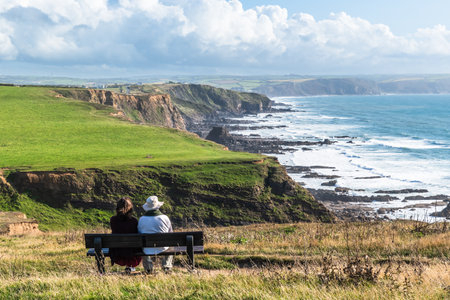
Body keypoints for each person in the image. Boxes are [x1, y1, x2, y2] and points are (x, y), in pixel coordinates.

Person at [138, 195, 173, 273]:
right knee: (171, 243)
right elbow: (171, 235)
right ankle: (166, 266)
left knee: (142, 244)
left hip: (147, 248)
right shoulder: (165, 218)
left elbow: (139, 234)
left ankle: (148, 268)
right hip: (163, 247)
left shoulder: (141, 219)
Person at [109, 197, 142, 273]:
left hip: (117, 252)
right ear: (130, 208)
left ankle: (129, 266)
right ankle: (130, 266)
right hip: (132, 252)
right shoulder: (134, 221)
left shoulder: (113, 220)